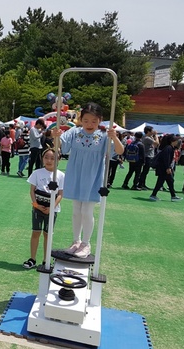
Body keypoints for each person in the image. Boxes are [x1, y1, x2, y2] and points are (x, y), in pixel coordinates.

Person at [55, 102, 124, 258]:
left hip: (93, 178)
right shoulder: (74, 132)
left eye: (94, 121)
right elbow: (61, 147)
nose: (89, 124)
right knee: (76, 211)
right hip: (75, 174)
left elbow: (119, 151)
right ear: (81, 119)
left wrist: (115, 138)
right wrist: (56, 137)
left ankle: (86, 243)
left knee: (87, 211)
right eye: (86, 120)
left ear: (100, 120)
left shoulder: (104, 136)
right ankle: (76, 241)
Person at [23, 148, 64, 269]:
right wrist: (35, 205)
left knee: (47, 234)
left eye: (53, 158)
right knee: (36, 232)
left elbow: (60, 194)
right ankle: (32, 259)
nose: (49, 160)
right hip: (37, 208)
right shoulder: (37, 173)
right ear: (42, 158)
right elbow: (32, 191)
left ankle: (46, 260)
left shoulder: (60, 175)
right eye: (46, 157)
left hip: (52, 210)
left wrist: (52, 207)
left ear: (58, 160)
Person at [149, 134, 182, 202]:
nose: (177, 142)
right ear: (173, 141)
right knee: (162, 182)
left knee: (169, 181)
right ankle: (154, 195)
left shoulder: (169, 147)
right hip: (164, 168)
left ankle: (173, 196)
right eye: (176, 140)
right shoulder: (168, 148)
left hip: (164, 168)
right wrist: (168, 168)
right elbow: (166, 159)